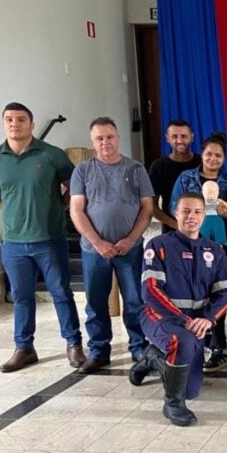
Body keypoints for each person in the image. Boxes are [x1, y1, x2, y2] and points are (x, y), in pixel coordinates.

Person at [0, 102, 86, 372]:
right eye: (9, 119)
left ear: (31, 125)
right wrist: (6, 207)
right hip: (13, 243)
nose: (14, 124)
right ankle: (24, 348)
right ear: (4, 124)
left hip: (49, 239)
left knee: (61, 293)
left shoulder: (51, 155)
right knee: (21, 297)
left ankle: (74, 345)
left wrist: (63, 204)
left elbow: (75, 185)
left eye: (21, 119)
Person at [129, 192, 227, 426]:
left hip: (197, 323)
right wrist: (184, 319)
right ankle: (172, 404)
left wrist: (208, 319)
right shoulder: (158, 245)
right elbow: (151, 291)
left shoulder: (214, 250)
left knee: (191, 389)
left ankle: (153, 358)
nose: (191, 217)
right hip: (160, 316)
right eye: (185, 211)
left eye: (197, 211)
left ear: (203, 216)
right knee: (182, 341)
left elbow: (226, 292)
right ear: (176, 213)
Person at [70, 117, 154, 373]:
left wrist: (130, 239)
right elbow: (76, 210)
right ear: (92, 142)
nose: (105, 142)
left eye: (109, 136)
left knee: (134, 301)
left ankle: (139, 347)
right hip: (94, 250)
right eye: (99, 138)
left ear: (118, 138)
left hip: (130, 249)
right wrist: (98, 242)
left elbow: (147, 208)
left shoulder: (136, 169)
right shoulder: (82, 171)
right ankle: (98, 351)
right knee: (96, 302)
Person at [170, 132, 227, 373]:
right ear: (202, 155)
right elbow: (172, 207)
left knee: (218, 291)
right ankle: (199, 340)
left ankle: (220, 346)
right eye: (209, 153)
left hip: (222, 245)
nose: (213, 158)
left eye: (218, 155)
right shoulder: (186, 178)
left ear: (223, 158)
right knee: (195, 291)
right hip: (190, 244)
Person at [147, 119, 201, 233]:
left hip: (202, 230)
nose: (179, 140)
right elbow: (152, 206)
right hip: (172, 232)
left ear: (192, 137)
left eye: (184, 136)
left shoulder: (202, 163)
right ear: (167, 138)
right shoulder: (158, 166)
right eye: (174, 136)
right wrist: (177, 225)